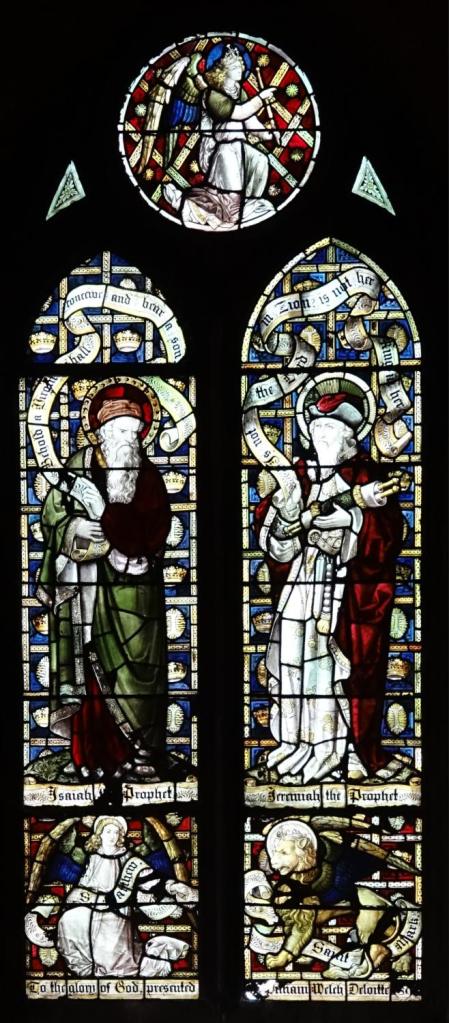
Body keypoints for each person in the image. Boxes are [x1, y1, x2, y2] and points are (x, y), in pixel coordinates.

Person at [254, 385, 404, 784]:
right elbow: (275, 538)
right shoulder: (300, 479)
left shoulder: (367, 478)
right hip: (301, 585)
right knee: (292, 663)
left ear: (350, 440)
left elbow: (388, 535)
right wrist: (284, 526)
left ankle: (336, 750)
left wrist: (352, 522)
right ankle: (294, 744)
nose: (322, 438)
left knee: (329, 669)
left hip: (343, 593)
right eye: (317, 430)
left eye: (331, 432)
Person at [37, 382, 172, 782]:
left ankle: (143, 754)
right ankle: (90, 755)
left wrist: (110, 523)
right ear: (99, 431)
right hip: (85, 588)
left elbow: (157, 530)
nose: (127, 437)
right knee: (88, 665)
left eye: (133, 430)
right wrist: (74, 529)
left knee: (137, 673)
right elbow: (52, 516)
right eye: (119, 429)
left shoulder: (148, 476)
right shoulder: (77, 468)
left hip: (136, 592)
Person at [263, 819, 421, 979]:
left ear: (303, 848)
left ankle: (390, 952)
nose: (273, 860)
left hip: (358, 900)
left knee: (371, 918)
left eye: (284, 853)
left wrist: (285, 955)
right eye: (275, 852)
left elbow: (302, 923)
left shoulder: (333, 854)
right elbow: (299, 921)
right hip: (344, 902)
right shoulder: (289, 885)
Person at [163, 42, 277, 229]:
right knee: (230, 198)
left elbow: (250, 121)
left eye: (242, 66)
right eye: (237, 66)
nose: (242, 69)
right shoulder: (212, 94)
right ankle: (188, 205)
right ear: (223, 70)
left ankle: (243, 206)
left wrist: (269, 135)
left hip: (240, 146)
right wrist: (260, 99)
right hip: (222, 148)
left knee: (260, 160)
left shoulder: (238, 92)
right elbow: (237, 113)